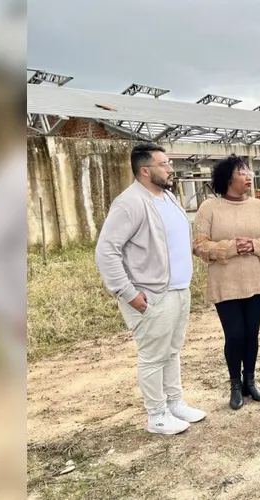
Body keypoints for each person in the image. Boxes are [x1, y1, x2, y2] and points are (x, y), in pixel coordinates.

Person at [95, 142, 206, 436]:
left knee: (171, 351)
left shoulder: (167, 198)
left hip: (179, 290)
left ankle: (174, 403)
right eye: (164, 164)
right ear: (145, 170)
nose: (170, 169)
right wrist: (128, 293)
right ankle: (156, 415)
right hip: (153, 295)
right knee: (153, 355)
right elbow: (106, 251)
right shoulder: (130, 203)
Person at [193, 155, 260, 410]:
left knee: (251, 334)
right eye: (242, 172)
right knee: (235, 334)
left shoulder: (259, 207)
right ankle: (235, 385)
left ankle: (250, 381)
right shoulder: (209, 207)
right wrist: (230, 247)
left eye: (249, 171)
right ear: (229, 177)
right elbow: (198, 245)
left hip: (255, 281)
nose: (249, 176)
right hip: (225, 283)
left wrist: (253, 244)